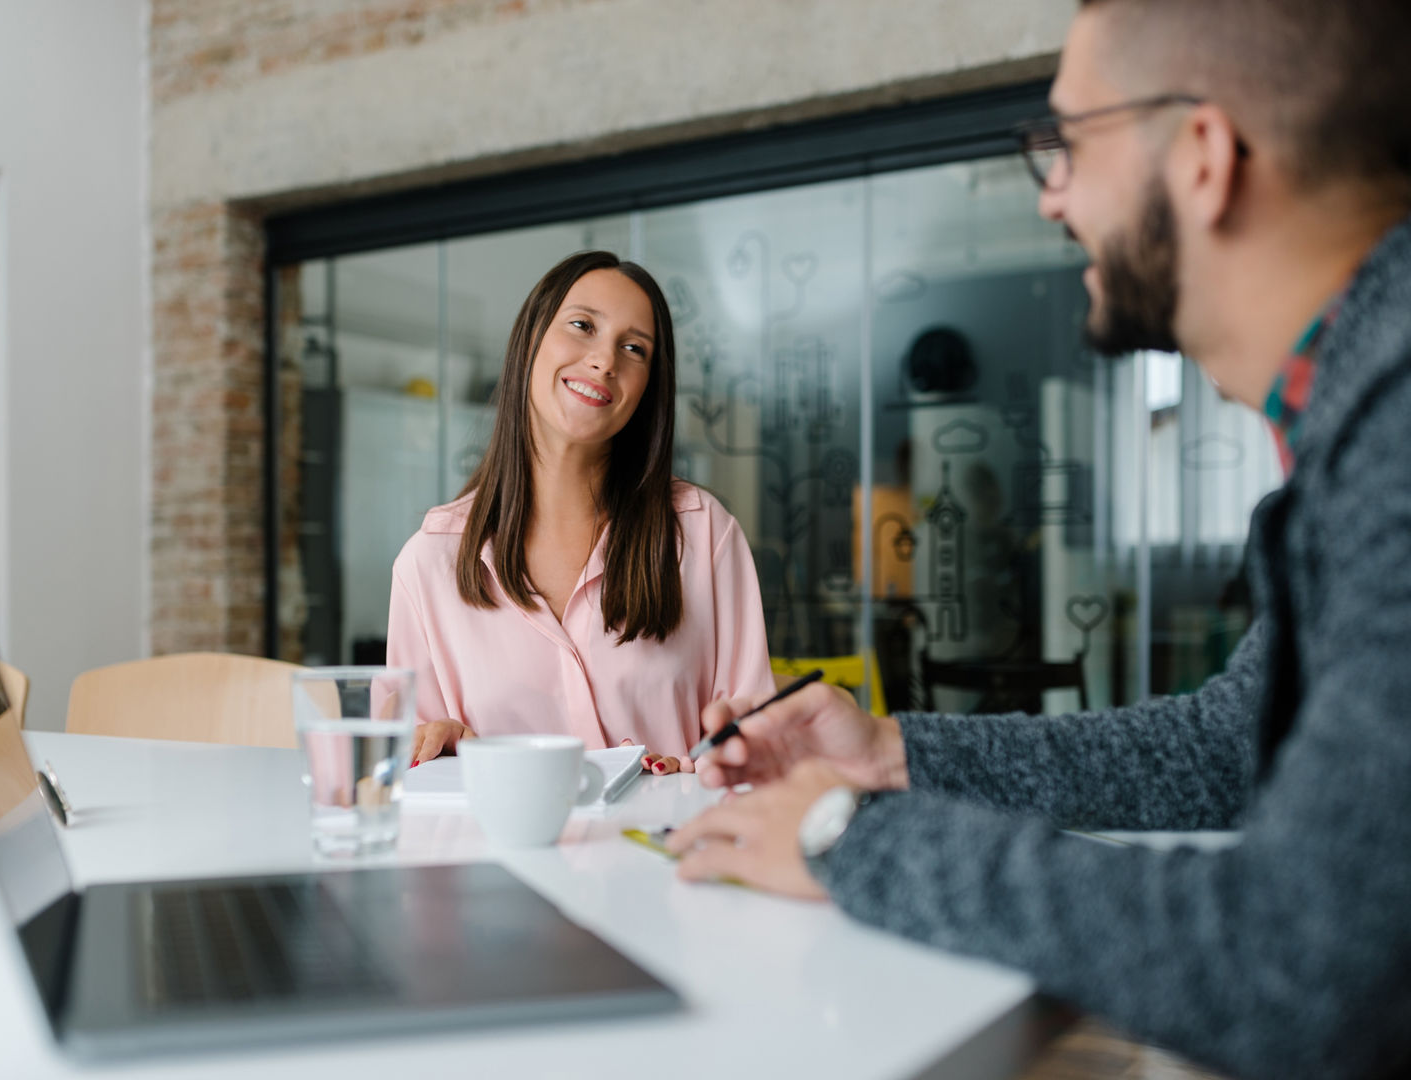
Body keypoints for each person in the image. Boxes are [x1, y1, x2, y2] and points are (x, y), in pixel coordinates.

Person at [667, 2, 1411, 1077]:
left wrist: (849, 838)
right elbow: (1219, 751)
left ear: (1203, 155)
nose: (1053, 193)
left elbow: (1308, 960)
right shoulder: (1360, 415)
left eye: (1071, 140)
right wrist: (890, 755)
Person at [387, 251, 774, 773]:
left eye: (634, 348)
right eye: (582, 325)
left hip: (664, 848)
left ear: (646, 389)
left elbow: (754, 744)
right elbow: (399, 771)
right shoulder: (429, 561)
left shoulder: (702, 534)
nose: (606, 360)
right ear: (530, 339)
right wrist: (437, 746)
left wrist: (700, 774)